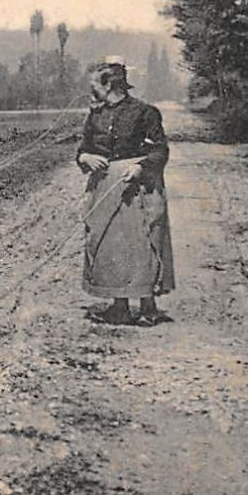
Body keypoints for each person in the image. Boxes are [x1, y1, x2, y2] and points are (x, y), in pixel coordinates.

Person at [77, 59, 175, 326]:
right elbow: (82, 150)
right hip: (104, 187)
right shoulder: (95, 116)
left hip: (137, 187)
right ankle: (118, 307)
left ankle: (148, 308)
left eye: (94, 85)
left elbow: (160, 150)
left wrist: (141, 166)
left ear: (109, 84)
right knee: (108, 243)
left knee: (143, 242)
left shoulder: (145, 112)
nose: (91, 91)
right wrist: (86, 157)